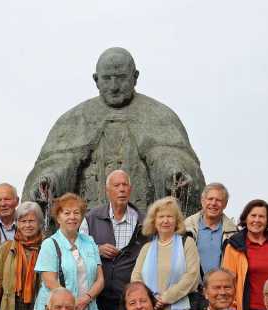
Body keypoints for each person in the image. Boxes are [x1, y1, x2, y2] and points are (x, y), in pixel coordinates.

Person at [23, 47, 205, 217]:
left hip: (144, 224)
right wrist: (49, 181)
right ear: (96, 80)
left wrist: (174, 173)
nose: (114, 86)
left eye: (121, 77)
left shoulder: (159, 115)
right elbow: (57, 162)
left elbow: (174, 157)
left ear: (135, 77)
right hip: (88, 224)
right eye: (107, 78)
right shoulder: (75, 118)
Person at [81, 170, 144, 310]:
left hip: (130, 299)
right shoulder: (91, 218)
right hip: (99, 299)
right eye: (116, 185)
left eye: (125, 185)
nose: (121, 189)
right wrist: (97, 250)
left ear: (130, 189)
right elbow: (77, 250)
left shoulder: (143, 221)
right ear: (107, 190)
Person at [35, 193, 105, 310]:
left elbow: (100, 279)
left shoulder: (89, 241)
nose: (72, 217)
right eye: (67, 213)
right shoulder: (49, 244)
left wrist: (86, 300)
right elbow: (50, 282)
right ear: (58, 217)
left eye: (76, 213)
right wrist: (73, 308)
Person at [129, 196, 200, 310]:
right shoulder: (146, 248)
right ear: (154, 221)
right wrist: (151, 299)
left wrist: (166, 298)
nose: (165, 221)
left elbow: (192, 277)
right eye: (161, 217)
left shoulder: (187, 243)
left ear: (176, 221)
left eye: (170, 217)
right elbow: (136, 278)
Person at [220, 199, 268, 310]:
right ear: (245, 218)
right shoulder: (234, 246)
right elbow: (227, 283)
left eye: (261, 216)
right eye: (253, 215)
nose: (257, 220)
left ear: (267, 220)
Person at [184, 182, 238, 280]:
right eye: (210, 199)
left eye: (218, 200)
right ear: (202, 201)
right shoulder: (185, 228)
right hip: (192, 287)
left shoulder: (233, 233)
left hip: (220, 286)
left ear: (225, 204)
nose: (213, 203)